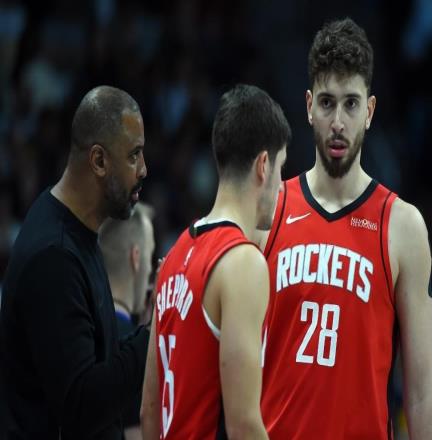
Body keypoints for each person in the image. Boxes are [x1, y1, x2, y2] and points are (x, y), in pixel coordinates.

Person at [259, 18, 432, 439]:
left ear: (370, 111)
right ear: (309, 107)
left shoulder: (403, 226)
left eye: (351, 104)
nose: (338, 122)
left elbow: (420, 390)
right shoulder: (268, 211)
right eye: (327, 103)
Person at [140, 84, 290, 439]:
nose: (282, 185)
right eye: (281, 169)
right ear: (263, 165)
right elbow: (243, 424)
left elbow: (149, 412)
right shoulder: (242, 262)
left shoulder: (174, 256)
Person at [0, 85, 150, 439]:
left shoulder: (74, 229)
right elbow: (81, 406)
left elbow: (98, 361)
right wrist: (155, 336)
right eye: (134, 155)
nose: (144, 169)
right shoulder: (54, 258)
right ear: (98, 161)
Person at [98, 201, 156, 439]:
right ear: (136, 257)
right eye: (151, 256)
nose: (150, 271)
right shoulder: (134, 351)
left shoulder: (78, 331)